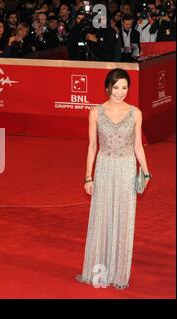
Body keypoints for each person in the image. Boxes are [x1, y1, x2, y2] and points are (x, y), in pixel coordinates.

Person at [76, 68, 152, 289]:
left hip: (127, 169)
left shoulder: (135, 113)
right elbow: (92, 146)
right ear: (107, 87)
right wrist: (88, 177)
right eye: (116, 87)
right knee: (101, 217)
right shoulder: (95, 112)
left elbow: (138, 146)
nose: (120, 92)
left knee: (124, 219)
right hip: (105, 167)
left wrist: (146, 172)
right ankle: (98, 271)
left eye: (124, 87)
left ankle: (119, 274)